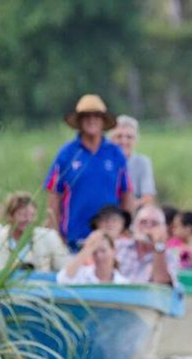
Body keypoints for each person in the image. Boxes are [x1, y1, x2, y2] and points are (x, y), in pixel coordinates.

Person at [44, 94, 135, 251]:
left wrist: (125, 228)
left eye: (96, 116)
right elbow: (54, 196)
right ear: (79, 121)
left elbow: (126, 193)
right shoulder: (67, 153)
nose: (91, 120)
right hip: (74, 237)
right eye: (86, 116)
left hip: (109, 239)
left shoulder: (115, 153)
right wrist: (55, 233)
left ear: (103, 121)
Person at [0, 192, 70, 272]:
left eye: (32, 215)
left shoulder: (49, 236)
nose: (28, 220)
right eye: (22, 215)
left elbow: (64, 267)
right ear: (10, 216)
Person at [115, 204, 179, 286]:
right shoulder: (119, 246)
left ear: (163, 229)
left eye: (154, 223)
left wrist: (159, 246)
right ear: (134, 225)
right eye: (143, 222)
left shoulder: (169, 255)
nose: (148, 227)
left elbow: (162, 283)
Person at [110, 115, 157, 206]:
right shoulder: (105, 161)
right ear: (111, 139)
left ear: (135, 140)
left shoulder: (142, 162)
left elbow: (148, 197)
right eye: (119, 136)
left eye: (129, 137)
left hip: (133, 210)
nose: (124, 141)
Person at [57, 230, 128, 284]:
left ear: (113, 251)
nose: (99, 256)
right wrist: (87, 249)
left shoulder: (123, 283)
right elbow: (62, 279)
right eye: (94, 252)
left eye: (103, 251)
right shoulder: (83, 274)